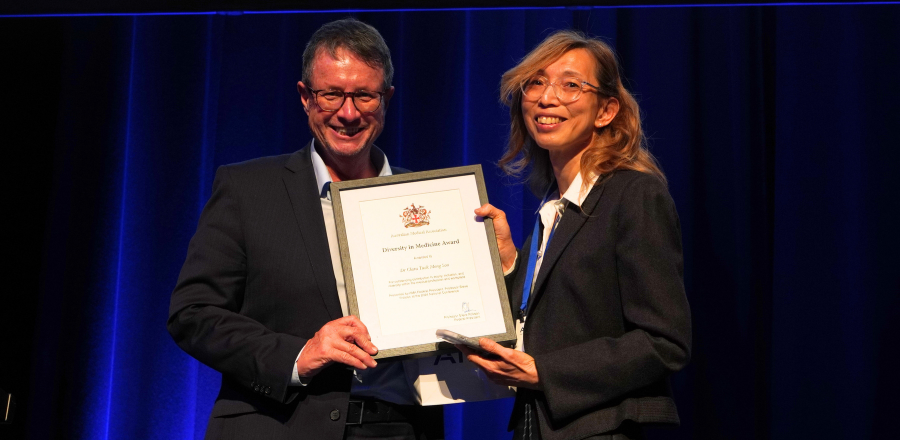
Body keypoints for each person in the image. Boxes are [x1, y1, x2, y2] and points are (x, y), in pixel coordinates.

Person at [167, 18, 443, 440]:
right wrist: (298, 355)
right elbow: (193, 314)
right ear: (305, 97)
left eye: (364, 96)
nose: (347, 113)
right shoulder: (247, 189)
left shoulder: (430, 201)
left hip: (402, 427)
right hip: (281, 424)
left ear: (386, 99)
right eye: (331, 93)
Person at [465, 30, 692, 440]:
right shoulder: (554, 207)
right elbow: (556, 322)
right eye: (536, 82)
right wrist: (510, 263)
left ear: (606, 111)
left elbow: (664, 342)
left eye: (571, 85)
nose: (547, 97)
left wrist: (543, 371)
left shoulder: (634, 194)